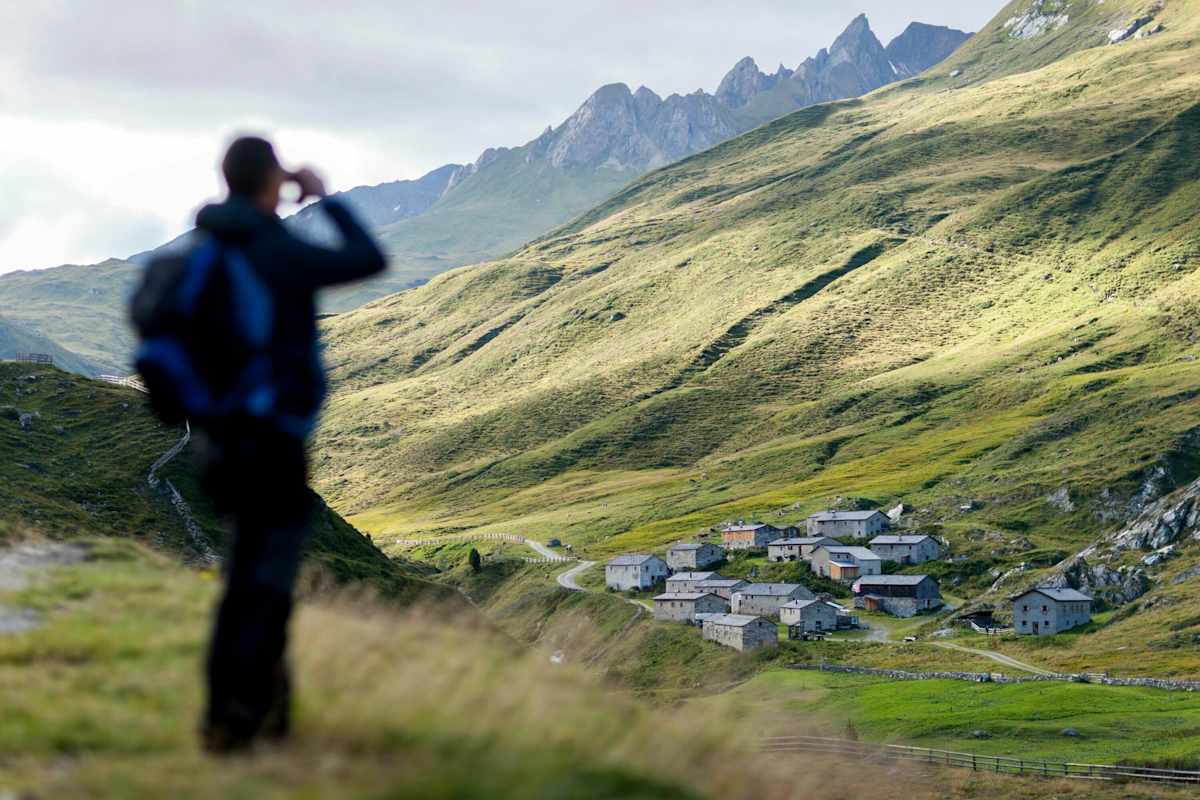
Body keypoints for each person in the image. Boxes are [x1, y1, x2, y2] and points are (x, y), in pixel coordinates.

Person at [194, 136, 386, 753]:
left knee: (245, 574)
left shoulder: (203, 247)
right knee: (268, 582)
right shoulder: (275, 250)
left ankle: (245, 715)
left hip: (218, 441)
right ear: (272, 182)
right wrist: (325, 198)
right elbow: (366, 258)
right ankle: (243, 724)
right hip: (272, 441)